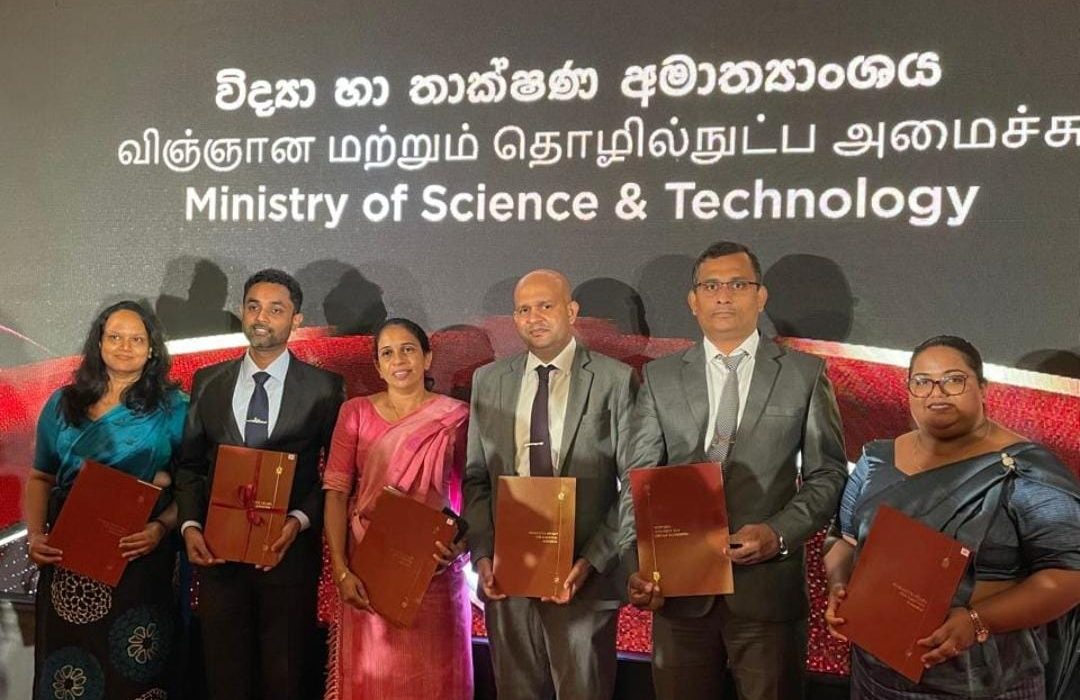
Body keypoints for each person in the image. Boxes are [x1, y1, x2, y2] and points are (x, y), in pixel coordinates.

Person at [623, 240, 848, 700]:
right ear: (693, 301)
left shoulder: (804, 373)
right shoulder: (660, 377)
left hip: (767, 595)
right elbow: (638, 482)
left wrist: (779, 533)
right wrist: (638, 565)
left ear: (760, 296)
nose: (723, 296)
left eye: (737, 284)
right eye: (711, 286)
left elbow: (828, 474)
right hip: (679, 596)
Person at [824, 335, 1080, 699]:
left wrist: (977, 621)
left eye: (953, 380)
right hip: (876, 675)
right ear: (909, 390)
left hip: (985, 680)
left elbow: (1070, 575)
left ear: (983, 388)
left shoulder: (1023, 470)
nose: (937, 392)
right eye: (922, 381)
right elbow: (844, 539)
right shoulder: (876, 459)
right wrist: (839, 586)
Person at [463, 269, 637, 700]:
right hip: (508, 578)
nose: (534, 317)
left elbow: (635, 483)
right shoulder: (489, 380)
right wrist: (482, 554)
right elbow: (476, 477)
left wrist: (593, 560)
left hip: (585, 578)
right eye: (524, 309)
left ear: (571, 311)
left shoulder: (614, 379)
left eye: (546, 306)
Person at [174, 269, 344, 700]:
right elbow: (190, 465)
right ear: (242, 312)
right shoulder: (208, 381)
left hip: (288, 556)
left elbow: (336, 474)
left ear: (296, 319)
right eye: (253, 306)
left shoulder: (325, 388)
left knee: (284, 677)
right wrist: (190, 527)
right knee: (224, 677)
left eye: (275, 309)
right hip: (217, 556)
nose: (261, 317)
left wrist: (299, 521)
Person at [26, 300, 188, 699]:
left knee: (134, 668)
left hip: (139, 556)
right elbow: (40, 477)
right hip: (69, 558)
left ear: (152, 349)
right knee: (68, 672)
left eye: (136, 339)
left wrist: (160, 528)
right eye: (115, 337)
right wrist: (34, 536)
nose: (124, 347)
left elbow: (192, 483)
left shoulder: (173, 409)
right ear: (99, 343)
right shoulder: (64, 403)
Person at [322, 318, 472, 700]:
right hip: (368, 570)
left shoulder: (456, 417)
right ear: (377, 365)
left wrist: (462, 546)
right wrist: (341, 569)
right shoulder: (355, 412)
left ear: (427, 357)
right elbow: (336, 492)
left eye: (408, 349)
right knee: (373, 677)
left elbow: (476, 492)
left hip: (433, 569)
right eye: (387, 353)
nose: (399, 360)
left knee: (435, 680)